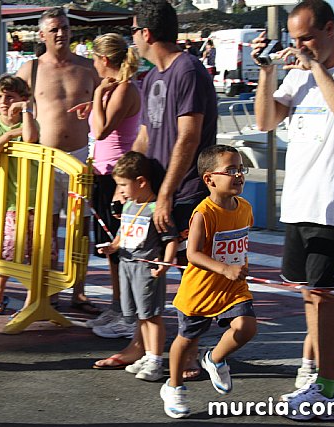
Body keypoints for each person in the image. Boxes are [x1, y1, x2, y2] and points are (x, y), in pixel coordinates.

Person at [96, 0, 218, 372]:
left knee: (191, 274)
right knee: (143, 264)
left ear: (146, 33)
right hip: (155, 193)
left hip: (187, 191)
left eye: (133, 31)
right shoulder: (152, 78)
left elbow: (189, 136)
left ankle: (191, 350)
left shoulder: (188, 70)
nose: (132, 38)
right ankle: (141, 344)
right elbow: (146, 136)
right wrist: (125, 180)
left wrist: (165, 194)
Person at [252, 0, 334, 419]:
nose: (299, 46)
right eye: (295, 39)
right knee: (311, 296)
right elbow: (265, 121)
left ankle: (330, 389)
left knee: (329, 298)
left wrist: (315, 67)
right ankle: (318, 377)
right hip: (299, 205)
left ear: (331, 29)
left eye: (307, 38)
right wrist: (266, 72)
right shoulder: (297, 77)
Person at [160, 145, 256, 418]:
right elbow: (192, 254)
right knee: (186, 339)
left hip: (233, 288)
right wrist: (224, 268)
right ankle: (174, 386)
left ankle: (215, 358)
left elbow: (240, 244)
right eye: (230, 170)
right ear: (209, 179)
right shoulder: (204, 213)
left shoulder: (245, 208)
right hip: (201, 290)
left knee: (246, 327)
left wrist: (238, 267)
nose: (238, 175)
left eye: (241, 169)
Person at [16, 7, 101, 314]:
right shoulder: (30, 70)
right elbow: (8, 106)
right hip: (46, 159)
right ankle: (49, 288)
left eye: (64, 27)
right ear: (42, 34)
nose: (61, 33)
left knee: (80, 229)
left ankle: (79, 290)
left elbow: (110, 99)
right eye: (54, 29)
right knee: (46, 228)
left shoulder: (88, 67)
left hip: (80, 158)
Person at [95, 151, 178, 383]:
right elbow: (123, 232)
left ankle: (156, 360)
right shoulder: (129, 205)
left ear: (141, 182)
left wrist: (165, 263)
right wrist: (112, 246)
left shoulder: (155, 209)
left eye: (123, 185)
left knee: (152, 315)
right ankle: (147, 355)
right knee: (140, 315)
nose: (120, 190)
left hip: (145, 269)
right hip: (126, 266)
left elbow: (171, 239)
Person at [79, 33, 141, 337]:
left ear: (104, 59)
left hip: (117, 175)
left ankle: (128, 313)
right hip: (103, 172)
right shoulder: (113, 89)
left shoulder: (124, 88)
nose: (93, 65)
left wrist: (97, 96)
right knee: (110, 246)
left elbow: (103, 130)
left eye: (94, 59)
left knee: (120, 247)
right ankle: (119, 306)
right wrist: (93, 104)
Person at [0, 75, 39, 315]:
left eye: (10, 97)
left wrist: (26, 110)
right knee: (10, 248)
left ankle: (33, 298)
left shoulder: (29, 121)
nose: (4, 102)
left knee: (37, 250)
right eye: (0, 96)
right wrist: (7, 136)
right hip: (8, 199)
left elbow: (31, 137)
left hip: (34, 196)